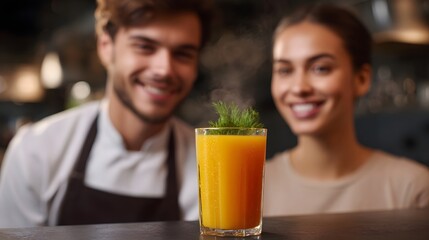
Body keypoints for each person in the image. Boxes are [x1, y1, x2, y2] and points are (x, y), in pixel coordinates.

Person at [0, 0, 213, 227]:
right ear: (106, 47)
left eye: (183, 54)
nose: (164, 69)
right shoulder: (36, 151)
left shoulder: (213, 169)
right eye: (145, 46)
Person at [264, 4, 429, 216]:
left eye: (321, 68)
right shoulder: (243, 187)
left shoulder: (413, 189)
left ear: (361, 79)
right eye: (284, 70)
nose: (299, 88)